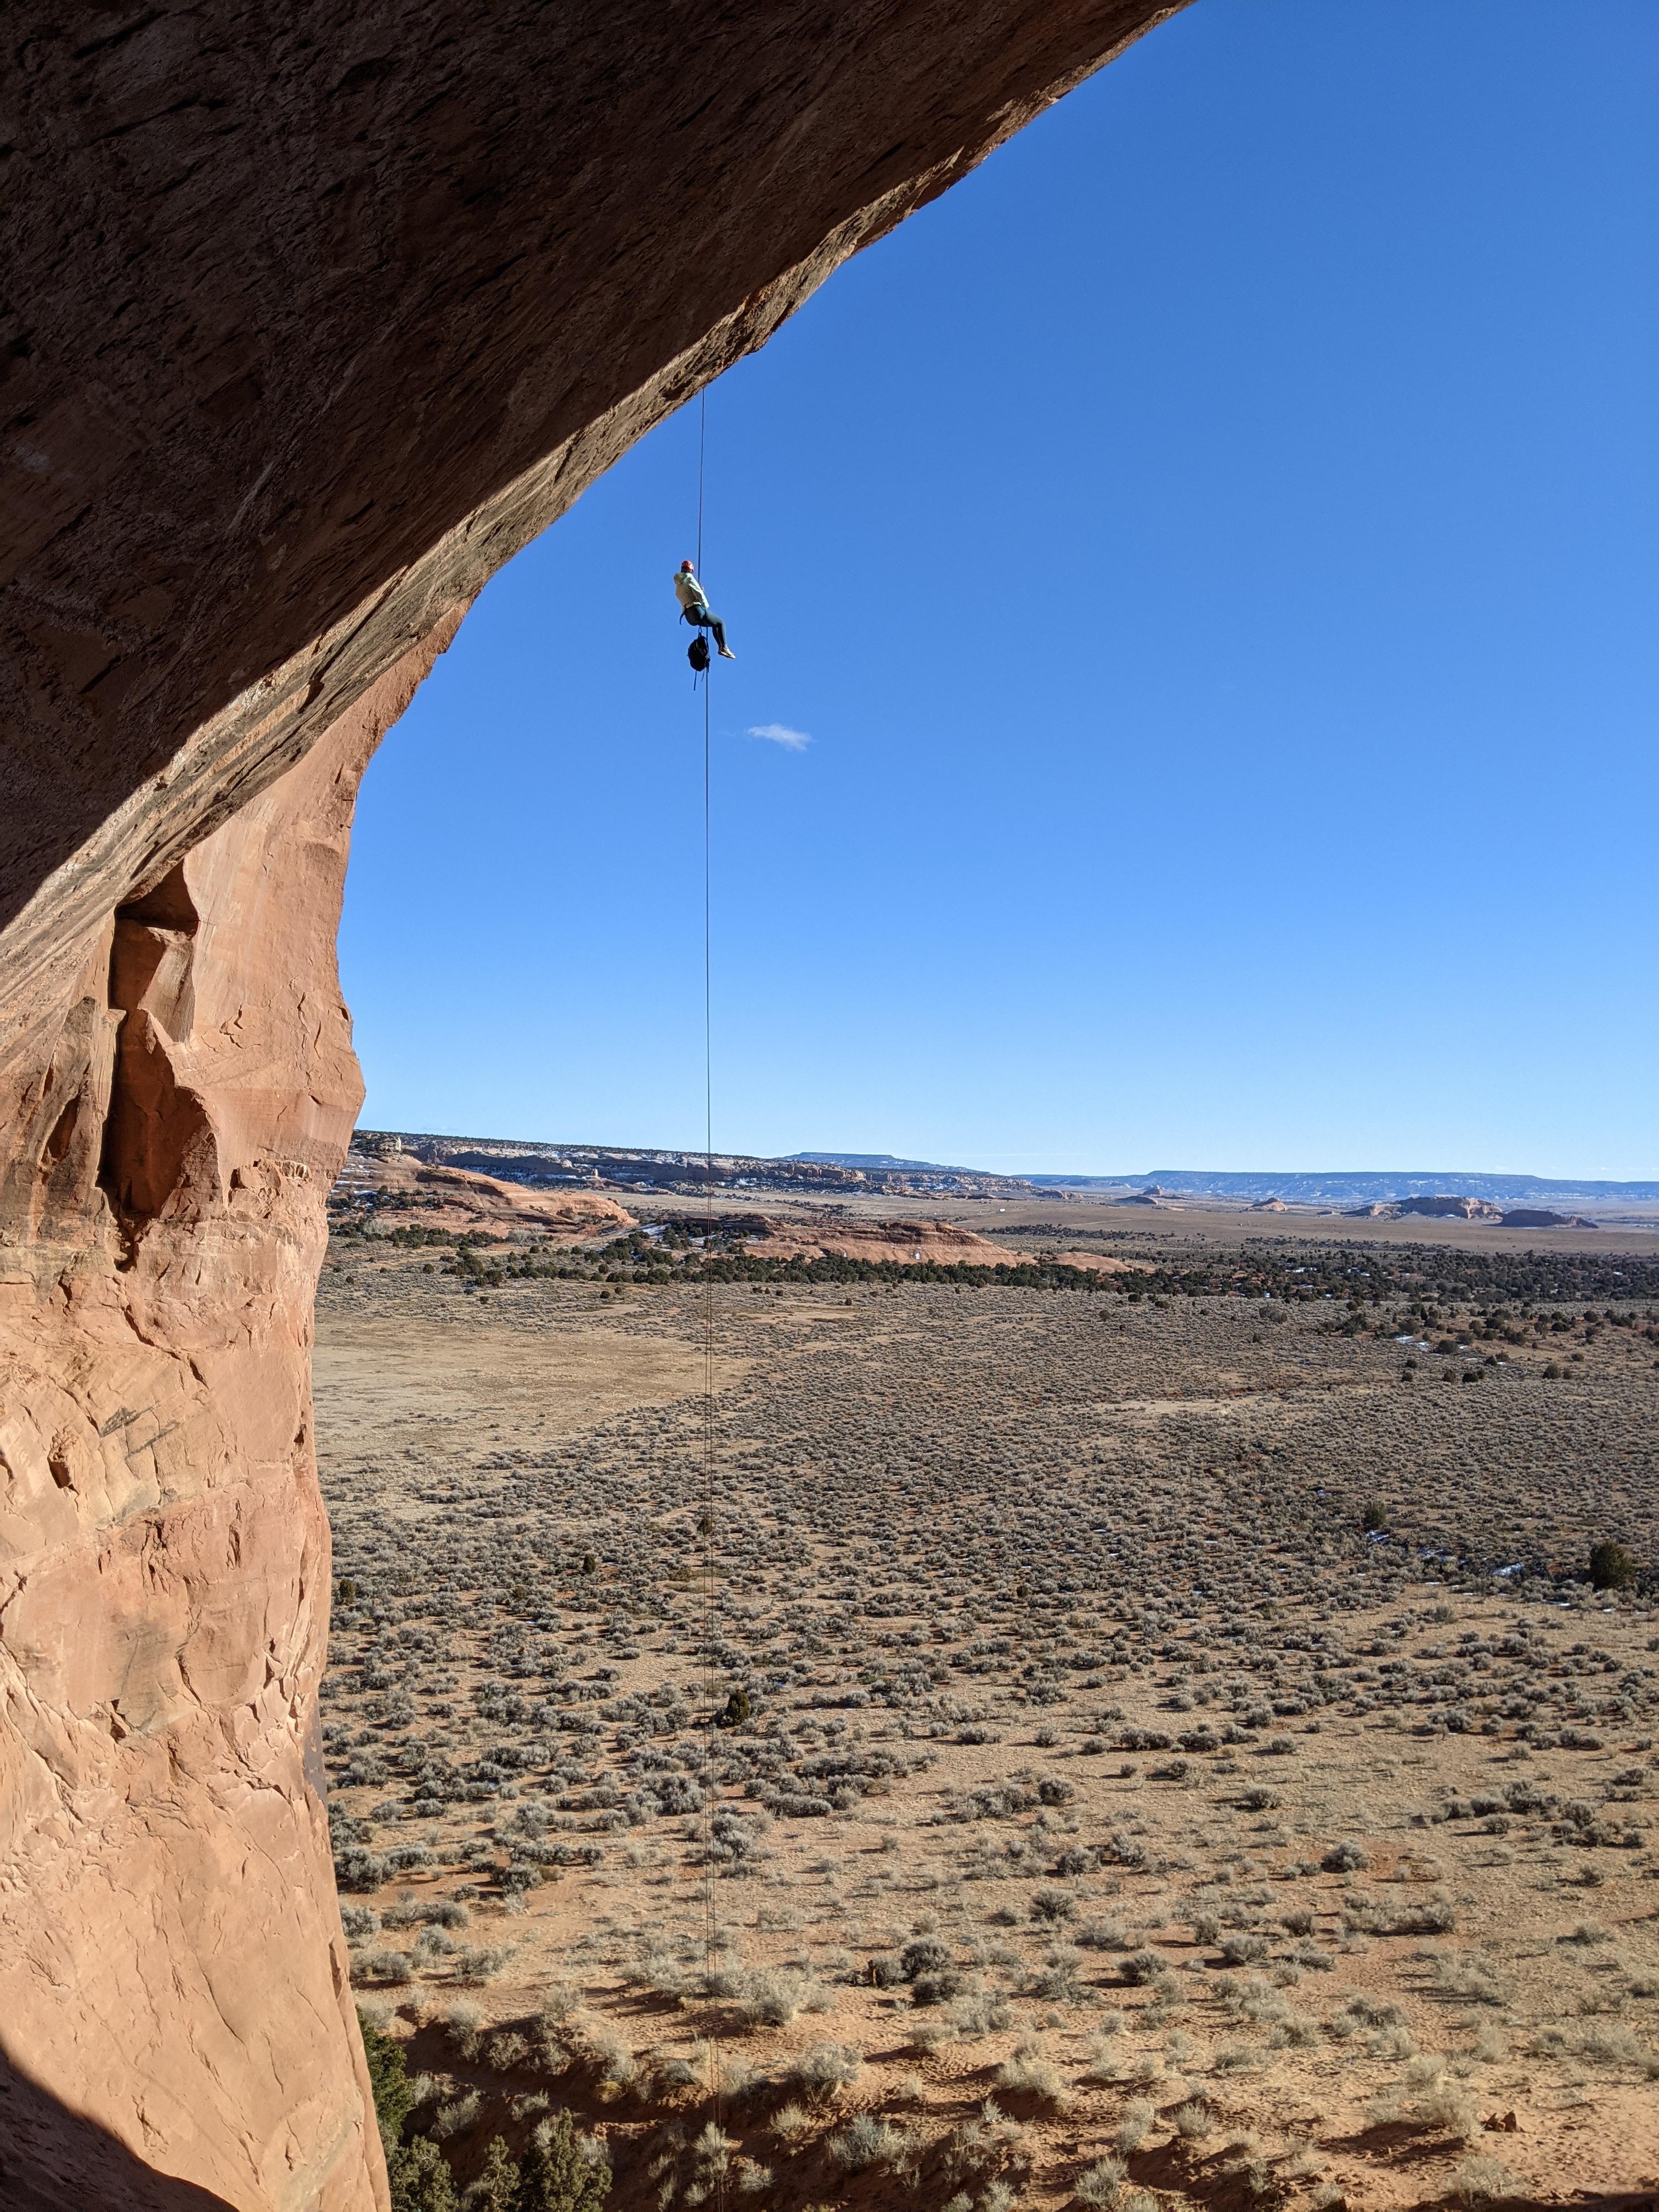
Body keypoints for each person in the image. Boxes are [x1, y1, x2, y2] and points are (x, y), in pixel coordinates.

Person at [673, 559, 736, 659]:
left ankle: (722, 648)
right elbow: (700, 594)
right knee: (720, 623)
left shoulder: (678, 585)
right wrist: (705, 606)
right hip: (697, 611)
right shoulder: (690, 578)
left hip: (689, 617)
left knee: (714, 625)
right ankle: (724, 647)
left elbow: (687, 595)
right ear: (691, 570)